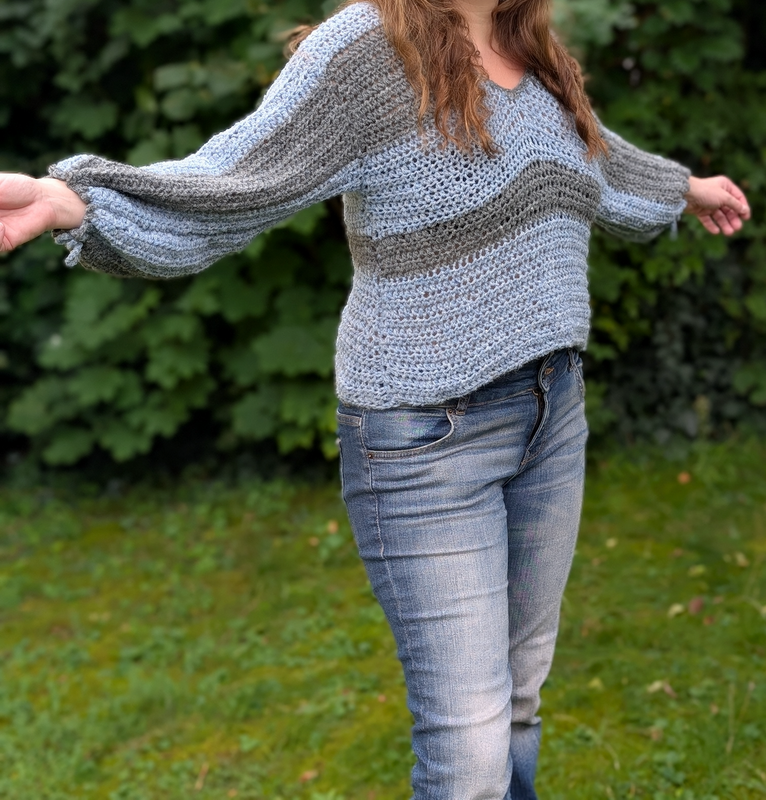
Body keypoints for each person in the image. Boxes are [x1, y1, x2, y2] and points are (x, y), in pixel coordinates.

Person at [0, 0, 750, 796]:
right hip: (428, 441)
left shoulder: (526, 41)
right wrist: (78, 201)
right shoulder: (371, 47)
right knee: (470, 749)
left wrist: (684, 188)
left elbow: (592, 157)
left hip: (552, 412)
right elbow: (238, 177)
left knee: (517, 704)